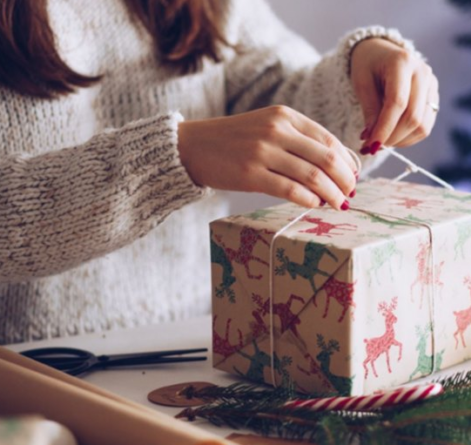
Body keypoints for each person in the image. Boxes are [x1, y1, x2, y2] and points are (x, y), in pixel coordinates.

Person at [0, 0, 439, 344]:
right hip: (28, 378)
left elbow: (279, 91)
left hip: (192, 348)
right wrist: (174, 159)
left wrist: (359, 79)